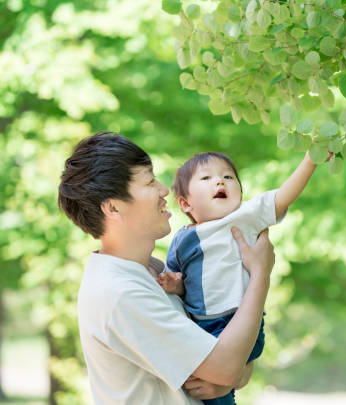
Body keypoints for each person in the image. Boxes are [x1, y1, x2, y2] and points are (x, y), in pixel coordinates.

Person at [57, 131, 275, 404]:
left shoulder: (156, 273)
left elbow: (234, 359)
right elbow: (226, 365)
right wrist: (260, 275)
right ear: (113, 208)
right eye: (149, 181)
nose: (164, 190)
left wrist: (232, 376)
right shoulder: (121, 293)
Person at [156, 150, 327, 404]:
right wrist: (176, 285)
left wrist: (310, 161)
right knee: (206, 390)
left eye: (228, 176)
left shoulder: (244, 218)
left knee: (215, 389)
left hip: (242, 324)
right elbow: (184, 282)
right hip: (203, 327)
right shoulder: (182, 240)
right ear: (185, 203)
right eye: (206, 178)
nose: (220, 181)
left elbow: (282, 197)